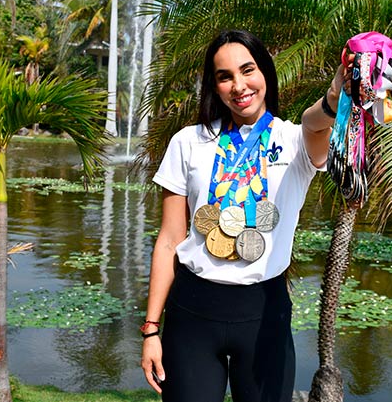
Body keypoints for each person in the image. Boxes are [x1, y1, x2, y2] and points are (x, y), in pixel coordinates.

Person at [141, 29, 348, 402]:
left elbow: (316, 123)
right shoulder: (188, 142)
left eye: (247, 70)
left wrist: (332, 99)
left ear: (265, 72)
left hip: (264, 314)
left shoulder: (295, 140)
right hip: (192, 312)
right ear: (214, 86)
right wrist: (151, 329)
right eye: (225, 76)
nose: (239, 85)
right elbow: (170, 239)